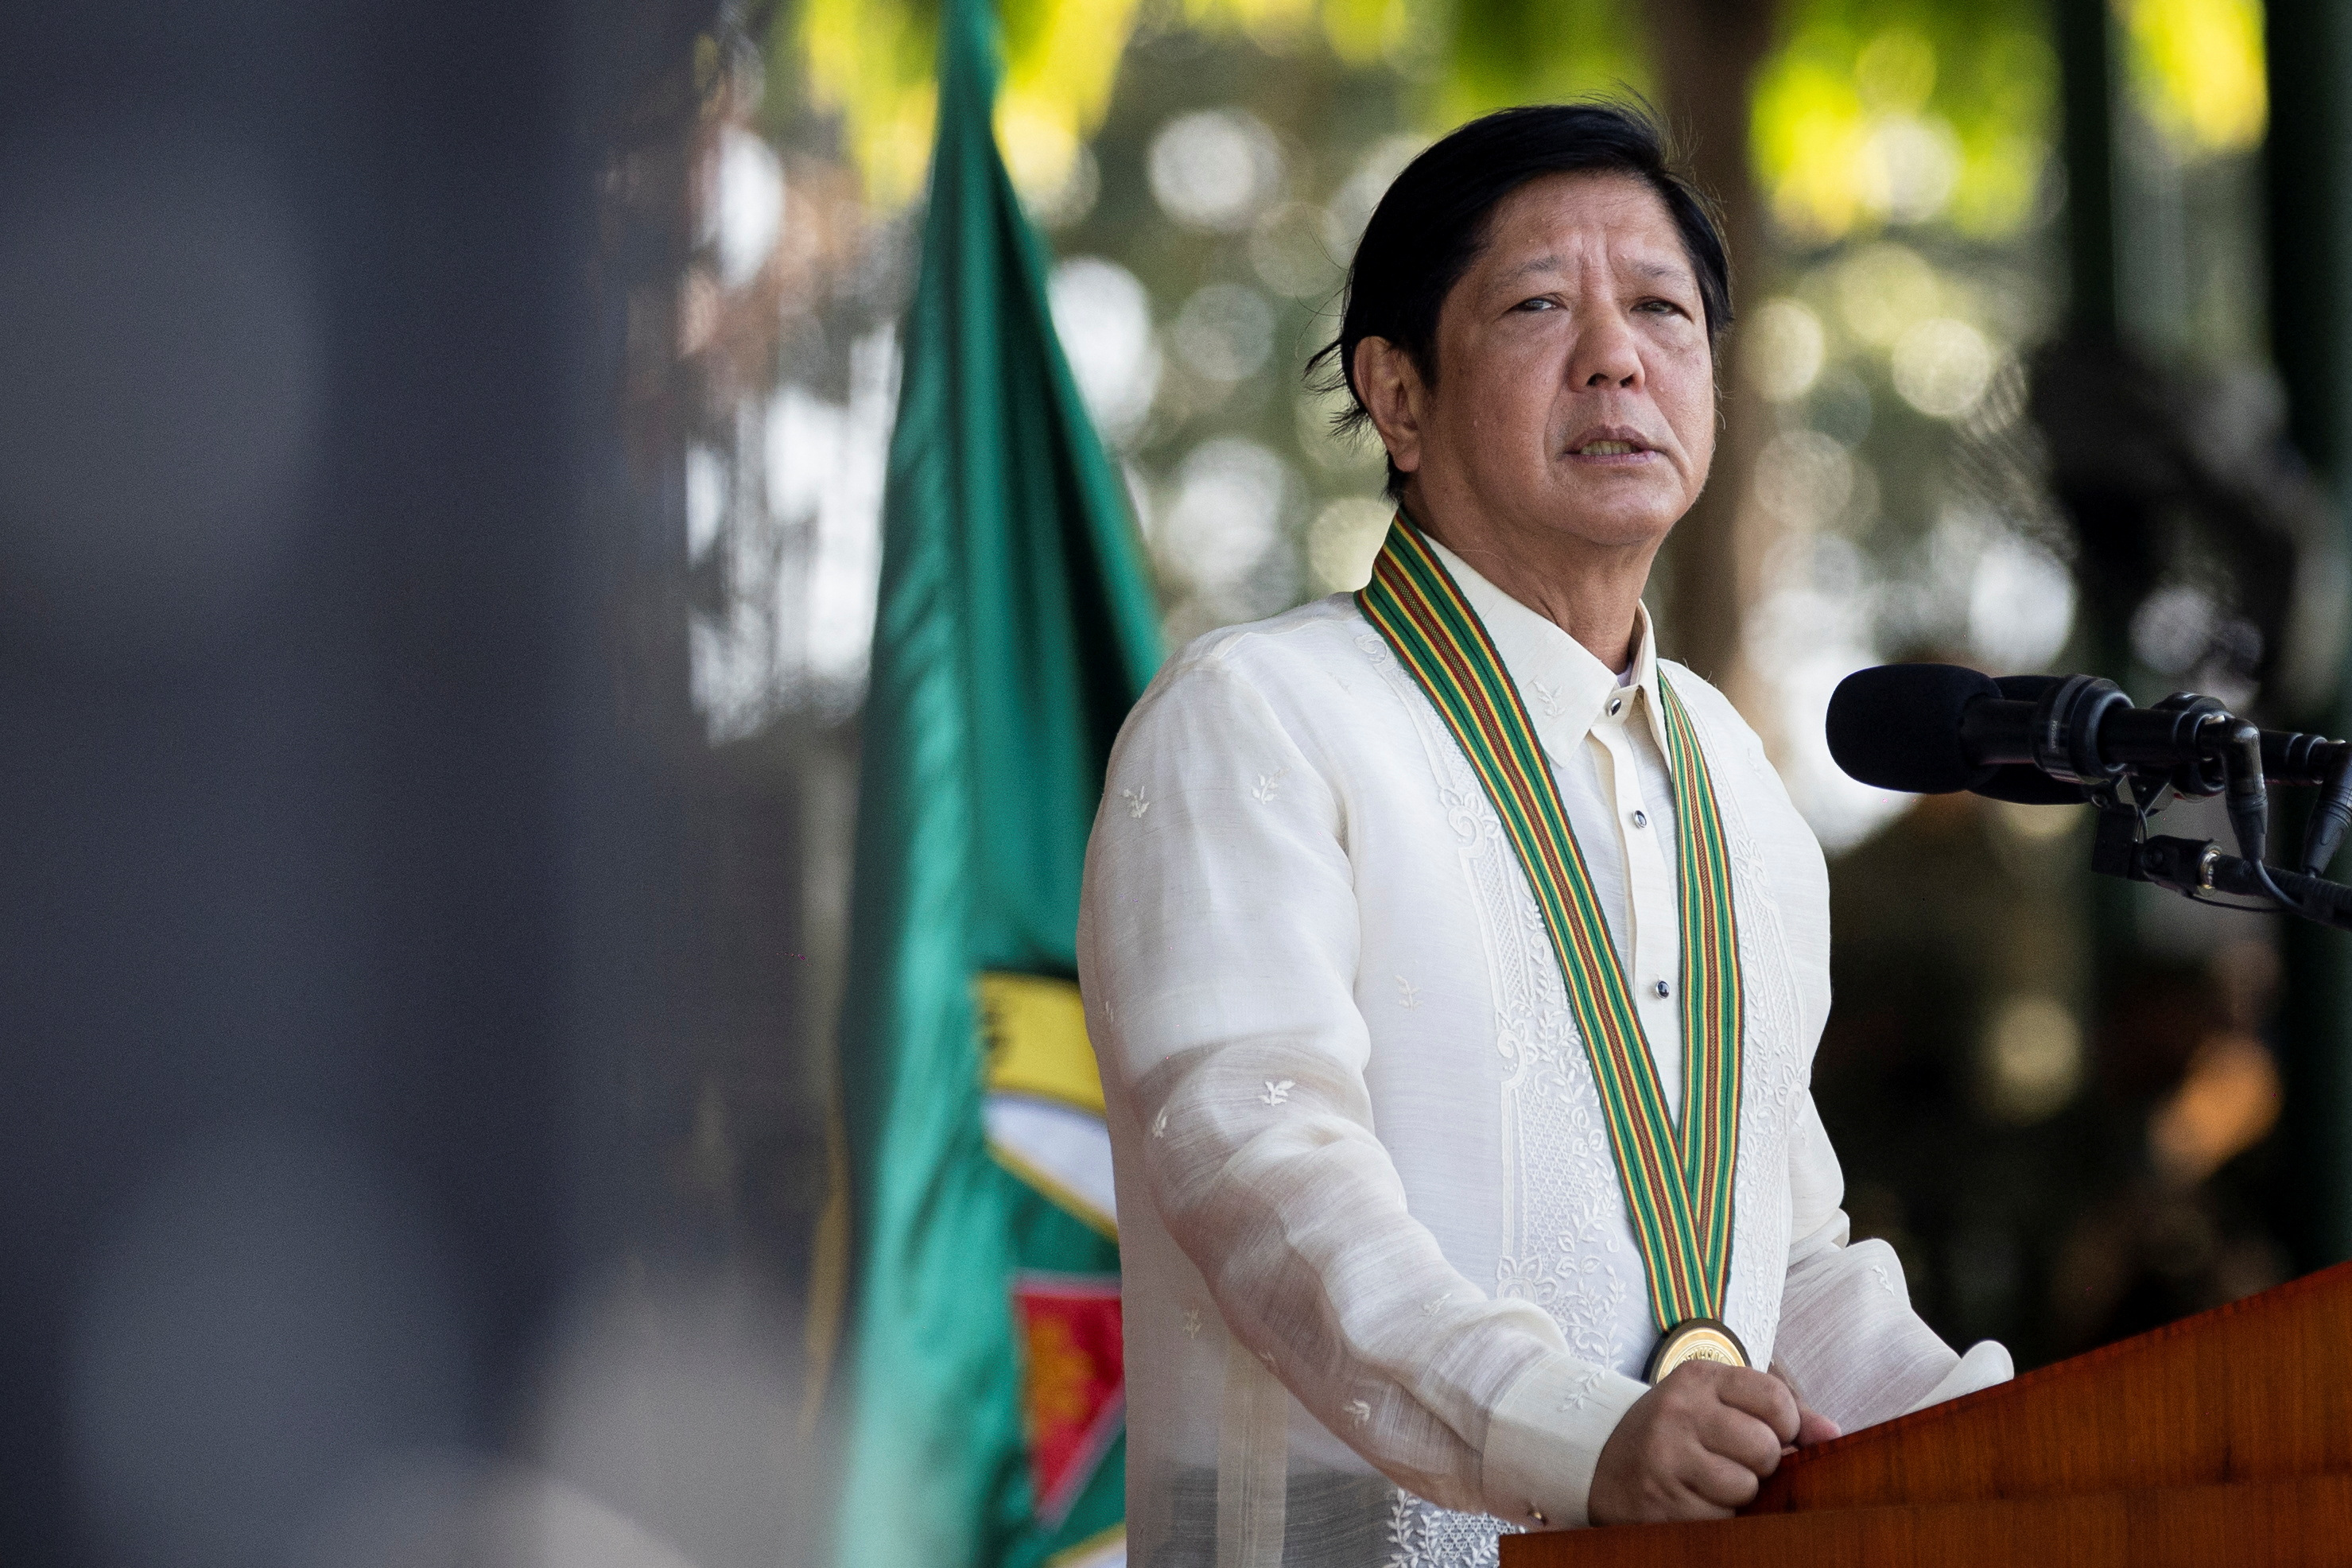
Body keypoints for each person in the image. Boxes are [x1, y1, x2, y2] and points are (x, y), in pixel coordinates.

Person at [1077, 103, 2012, 1568]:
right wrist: (1579, 1435)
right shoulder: (1258, 716)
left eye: (1660, 309)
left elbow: (1775, 1265)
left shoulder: (1734, 779)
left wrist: (2014, 1443)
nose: (1615, 357)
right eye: (1536, 306)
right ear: (1396, 395)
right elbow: (1257, 1170)